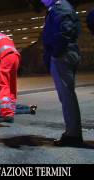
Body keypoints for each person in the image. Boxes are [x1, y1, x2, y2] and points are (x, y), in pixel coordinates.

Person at [41, 0, 83, 146]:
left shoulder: (60, 6)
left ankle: (73, 135)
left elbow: (67, 29)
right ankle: (73, 133)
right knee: (67, 96)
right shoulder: (59, 7)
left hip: (62, 55)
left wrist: (56, 53)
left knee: (67, 96)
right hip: (64, 53)